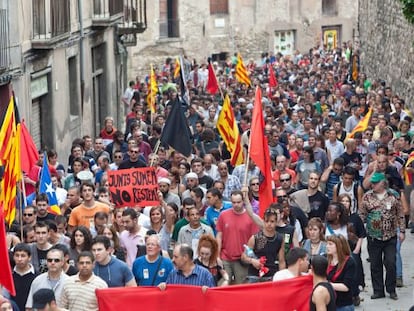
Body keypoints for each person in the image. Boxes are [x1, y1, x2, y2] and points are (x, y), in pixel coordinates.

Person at [359, 172, 405, 300]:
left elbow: (400, 214)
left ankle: (391, 289)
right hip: (373, 236)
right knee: (375, 264)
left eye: (375, 183)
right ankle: (378, 290)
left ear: (383, 183)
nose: (373, 185)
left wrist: (402, 231)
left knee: (391, 262)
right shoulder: (367, 197)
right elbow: (361, 214)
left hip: (390, 235)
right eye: (372, 183)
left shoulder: (393, 196)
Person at [216, 190, 259, 284]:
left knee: (241, 285)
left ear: (243, 201)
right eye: (233, 202)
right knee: (224, 283)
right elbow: (219, 236)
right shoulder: (223, 215)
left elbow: (254, 239)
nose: (236, 205)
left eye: (238, 202)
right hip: (225, 257)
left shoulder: (251, 217)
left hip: (242, 259)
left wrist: (248, 257)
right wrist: (217, 255)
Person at [241, 208, 286, 283]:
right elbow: (243, 257)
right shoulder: (255, 238)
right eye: (266, 221)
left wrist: (283, 278)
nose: (269, 224)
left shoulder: (279, 239)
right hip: (254, 275)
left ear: (276, 222)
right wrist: (252, 261)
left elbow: (281, 261)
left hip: (271, 275)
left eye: (272, 221)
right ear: (263, 221)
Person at [326, 234, 356, 310]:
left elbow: (346, 287)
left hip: (343, 305)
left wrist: (327, 285)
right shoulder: (325, 259)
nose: (327, 246)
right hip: (328, 303)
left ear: (339, 246)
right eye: (327, 244)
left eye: (330, 244)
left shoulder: (349, 262)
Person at [11, 243, 37, 311]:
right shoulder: (10, 276)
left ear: (29, 257)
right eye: (17, 255)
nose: (19, 259)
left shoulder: (37, 276)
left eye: (23, 256)